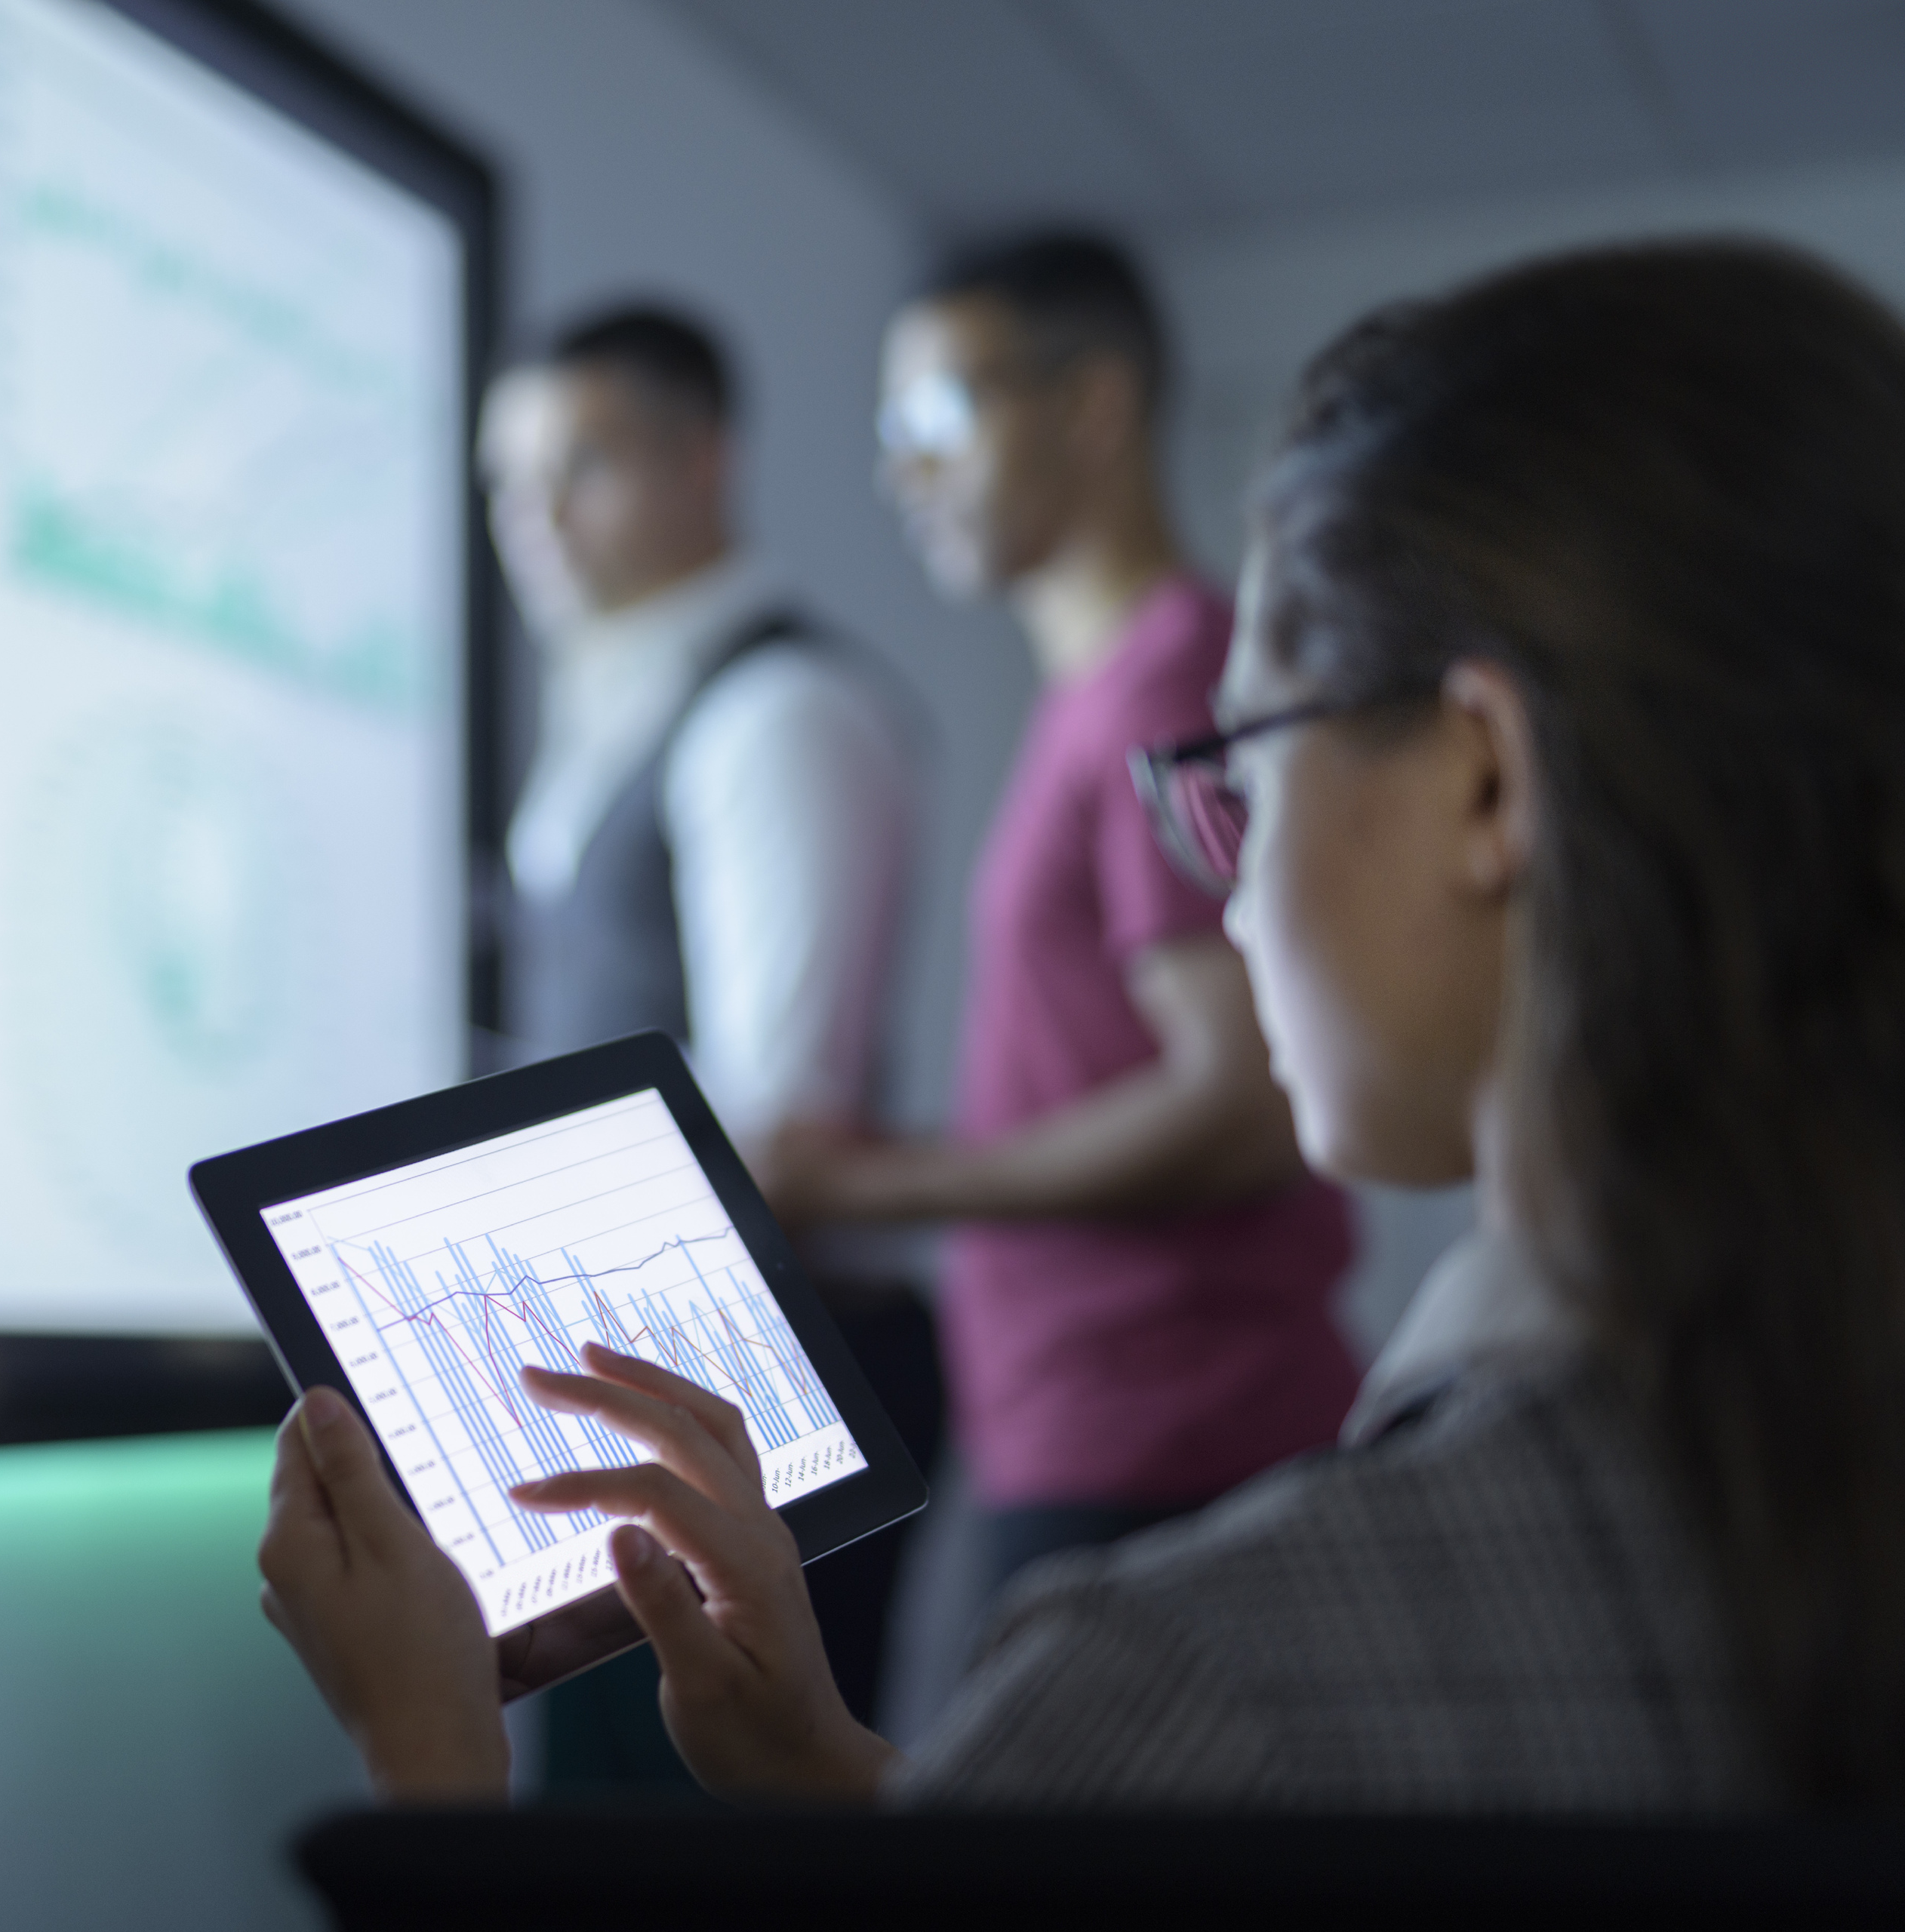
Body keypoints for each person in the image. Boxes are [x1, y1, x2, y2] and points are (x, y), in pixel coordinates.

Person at [257, 238, 1905, 1809]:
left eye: (1244, 767)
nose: (1235, 887)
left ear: (1483, 779)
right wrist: (831, 1765)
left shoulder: (1193, 1671)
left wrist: (430, 1759)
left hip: (1136, 1405)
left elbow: (1160, 1792)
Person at [756, 232, 1356, 1611]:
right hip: (1089, 1422)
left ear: (1092, 405)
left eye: (940, 420)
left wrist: (866, 1183)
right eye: (888, 432)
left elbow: (1246, 1102)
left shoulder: (1166, 689)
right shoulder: (1103, 692)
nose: (902, 473)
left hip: (1168, 1431)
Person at [475, 306, 930, 1777]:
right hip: (653, 1390)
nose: (533, 516)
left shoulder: (778, 710)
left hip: (753, 1398)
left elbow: (778, 1122)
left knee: (691, 1847)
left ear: (703, 462)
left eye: (583, 464)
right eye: (505, 479)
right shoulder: (620, 706)